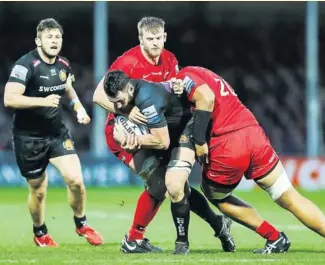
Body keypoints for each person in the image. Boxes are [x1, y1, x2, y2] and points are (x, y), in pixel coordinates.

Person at [177, 66, 325, 255]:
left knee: (215, 195)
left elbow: (206, 97)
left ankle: (273, 236)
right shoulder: (204, 72)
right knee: (290, 196)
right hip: (253, 132)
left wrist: (200, 140)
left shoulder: (183, 76)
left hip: (227, 141)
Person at [93, 17, 235, 254]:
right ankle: (134, 239)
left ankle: (217, 223)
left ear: (164, 36)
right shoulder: (127, 62)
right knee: (160, 184)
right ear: (140, 39)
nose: (155, 43)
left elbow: (169, 92)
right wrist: (127, 112)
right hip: (125, 133)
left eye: (158, 38)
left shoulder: (170, 59)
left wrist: (177, 88)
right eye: (149, 39)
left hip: (159, 131)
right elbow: (98, 96)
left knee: (175, 185)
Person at [3, 18, 103, 247]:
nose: (54, 41)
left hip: (56, 133)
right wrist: (42, 101)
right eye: (49, 37)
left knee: (76, 180)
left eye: (57, 37)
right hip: (28, 138)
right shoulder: (25, 65)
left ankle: (82, 224)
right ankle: (41, 234)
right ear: (38, 40)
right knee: (38, 190)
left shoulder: (64, 65)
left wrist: (78, 107)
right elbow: (9, 98)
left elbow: (67, 87)